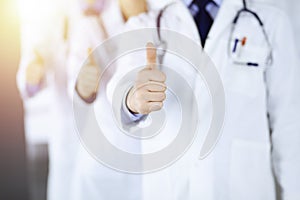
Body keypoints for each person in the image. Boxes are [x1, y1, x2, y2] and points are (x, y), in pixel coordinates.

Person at [120, 0, 300, 199]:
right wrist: (133, 101)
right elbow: (118, 93)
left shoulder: (271, 24)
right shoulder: (146, 26)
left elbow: (289, 129)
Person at [67, 0, 149, 199]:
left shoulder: (169, 19)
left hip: (152, 166)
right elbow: (75, 89)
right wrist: (83, 85)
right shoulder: (92, 27)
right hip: (103, 167)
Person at [17, 0, 81, 199]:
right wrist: (33, 74)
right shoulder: (50, 12)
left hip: (113, 128)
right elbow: (31, 65)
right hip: (67, 131)